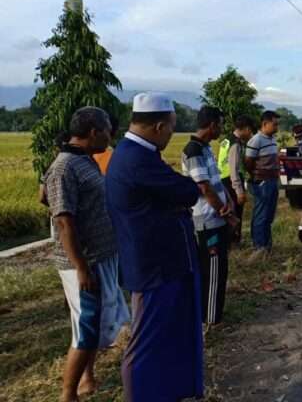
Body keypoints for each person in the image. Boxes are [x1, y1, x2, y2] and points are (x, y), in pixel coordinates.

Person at [105, 92, 204, 402]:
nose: (171, 135)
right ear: (159, 126)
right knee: (145, 343)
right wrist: (181, 197)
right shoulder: (137, 159)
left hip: (160, 262)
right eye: (172, 128)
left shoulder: (133, 153)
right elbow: (187, 190)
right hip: (153, 267)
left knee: (164, 336)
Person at [43, 107, 130, 402]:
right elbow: (64, 221)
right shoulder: (65, 166)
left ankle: (87, 379)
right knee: (86, 329)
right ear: (94, 132)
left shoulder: (84, 161)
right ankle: (68, 394)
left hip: (99, 256)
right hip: (84, 262)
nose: (110, 135)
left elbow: (50, 197)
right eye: (107, 130)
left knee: (92, 326)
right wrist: (81, 268)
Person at [182, 106, 238, 326]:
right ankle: (211, 319)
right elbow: (204, 188)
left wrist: (229, 202)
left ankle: (211, 313)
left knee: (219, 266)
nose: (222, 129)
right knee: (213, 269)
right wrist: (226, 214)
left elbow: (216, 183)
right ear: (213, 124)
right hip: (208, 221)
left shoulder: (205, 149)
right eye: (221, 124)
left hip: (217, 218)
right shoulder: (193, 150)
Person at [245, 110, 281, 257]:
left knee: (269, 215)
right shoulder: (256, 140)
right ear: (265, 124)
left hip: (273, 181)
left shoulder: (272, 139)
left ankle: (267, 245)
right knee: (261, 215)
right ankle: (259, 246)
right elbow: (248, 162)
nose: (277, 127)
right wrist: (256, 176)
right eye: (275, 124)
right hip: (262, 182)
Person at [218, 115, 255, 244]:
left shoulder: (226, 140)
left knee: (229, 213)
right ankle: (234, 242)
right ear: (245, 129)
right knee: (235, 214)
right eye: (250, 131)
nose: (250, 135)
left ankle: (230, 241)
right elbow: (233, 169)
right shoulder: (235, 145)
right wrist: (239, 191)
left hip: (223, 180)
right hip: (231, 183)